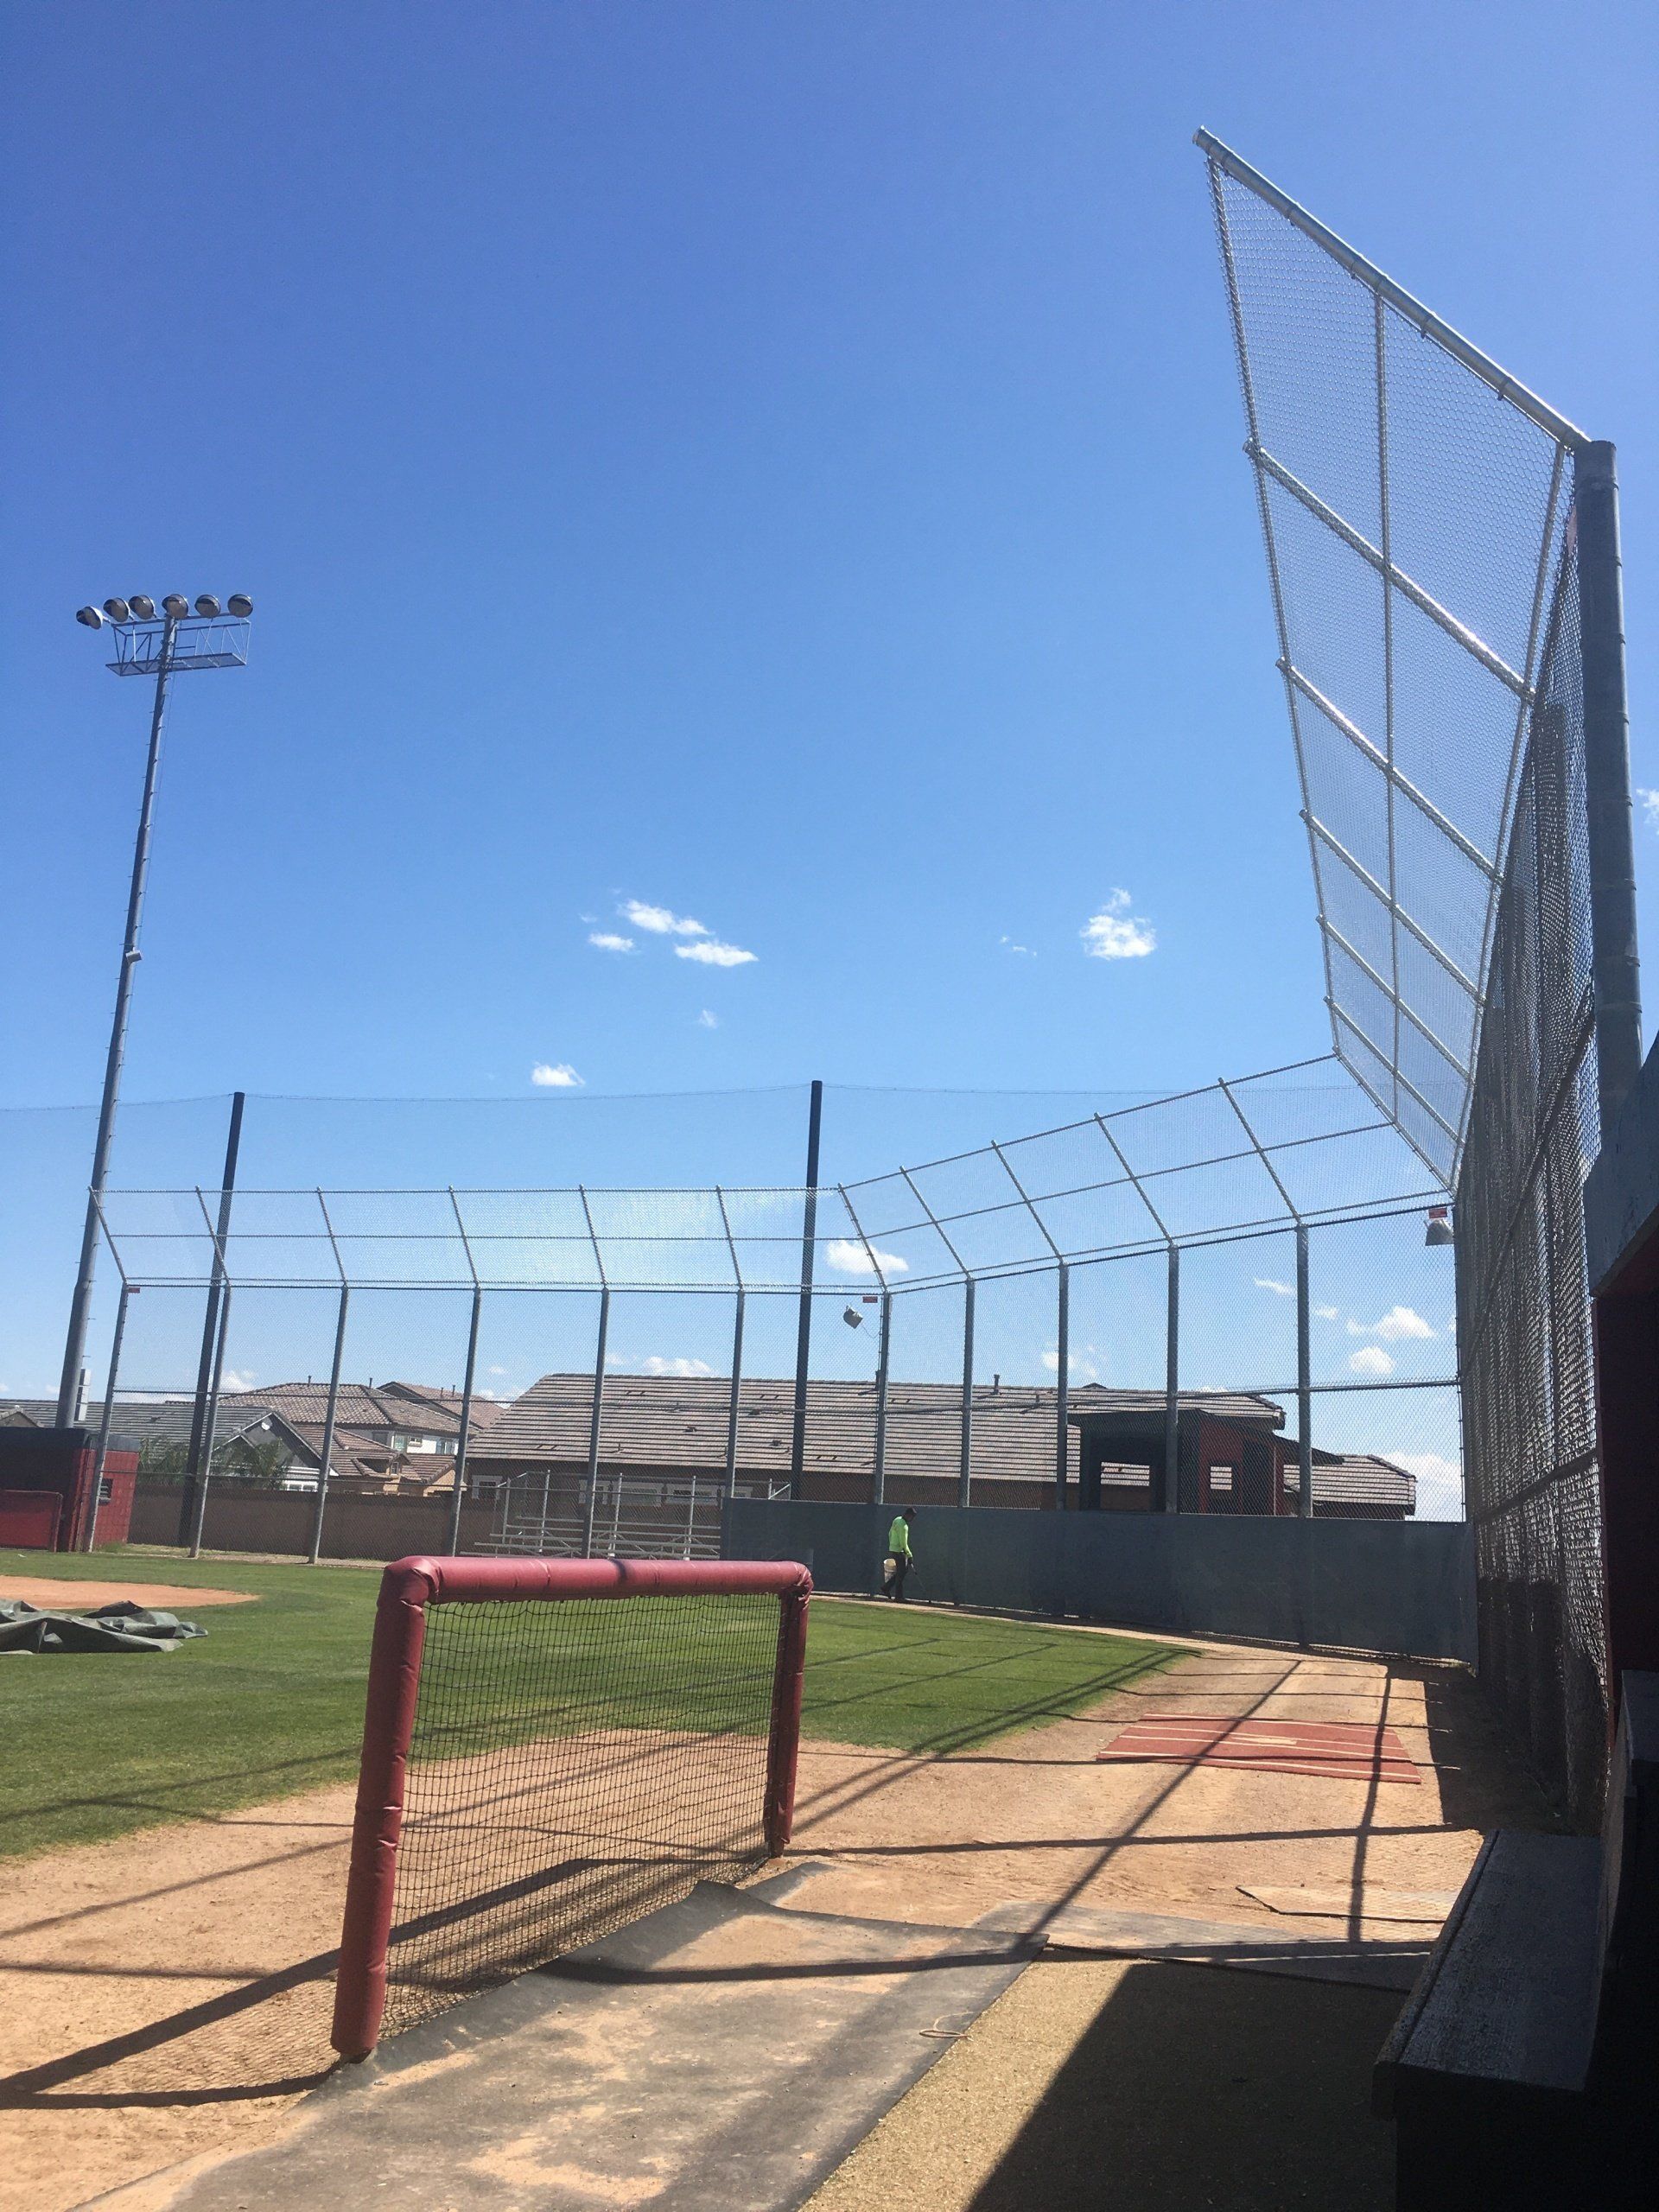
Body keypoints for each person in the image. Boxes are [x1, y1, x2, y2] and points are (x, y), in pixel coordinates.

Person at [883, 1508, 916, 1600]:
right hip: (899, 1551)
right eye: (912, 1517)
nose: (912, 1519)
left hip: (893, 1549)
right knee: (901, 1573)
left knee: (901, 1572)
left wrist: (892, 1545)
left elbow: (890, 1533)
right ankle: (898, 1596)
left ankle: (886, 1587)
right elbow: (903, 1543)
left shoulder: (897, 1520)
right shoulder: (904, 1526)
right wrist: (909, 1555)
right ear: (908, 1515)